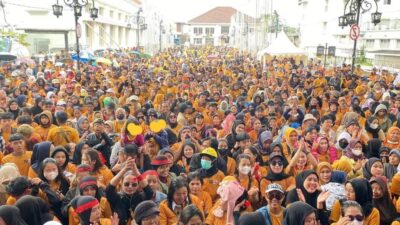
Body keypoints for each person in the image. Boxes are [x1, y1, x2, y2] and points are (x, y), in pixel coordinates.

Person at [105, 157, 153, 225]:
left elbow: (149, 192)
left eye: (134, 185)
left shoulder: (141, 197)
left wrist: (136, 172)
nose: (130, 187)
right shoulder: (117, 198)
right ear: (121, 183)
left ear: (138, 186)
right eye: (126, 184)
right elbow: (109, 189)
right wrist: (124, 169)